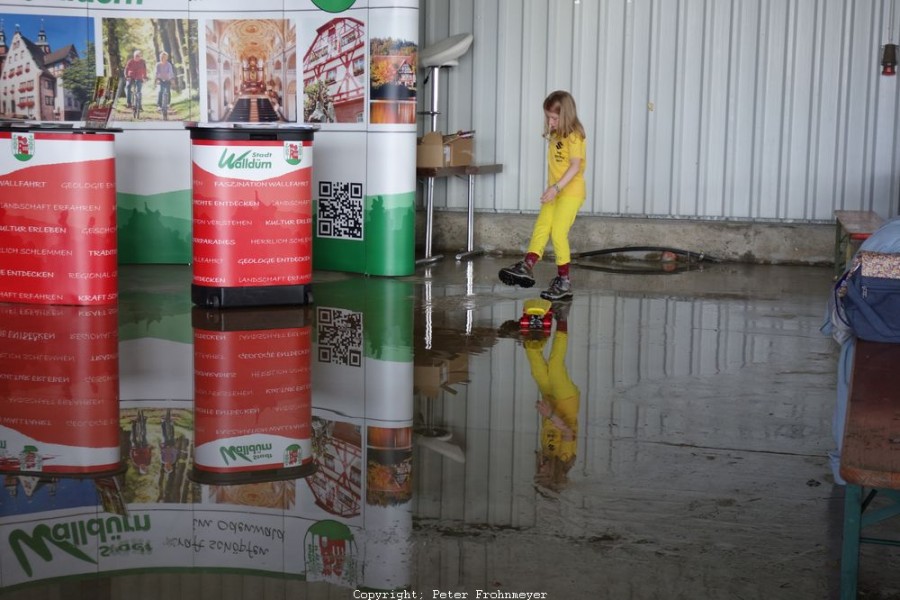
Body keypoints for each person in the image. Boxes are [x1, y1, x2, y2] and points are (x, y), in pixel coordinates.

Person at [499, 90, 587, 301]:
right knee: (542, 227)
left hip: (570, 193)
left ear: (566, 115)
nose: (550, 121)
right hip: (554, 192)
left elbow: (575, 166)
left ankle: (564, 281)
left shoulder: (574, 135)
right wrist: (553, 189)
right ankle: (527, 265)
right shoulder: (556, 134)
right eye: (548, 117)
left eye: (555, 118)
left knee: (557, 233)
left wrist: (556, 188)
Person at [528, 300, 580, 492]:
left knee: (535, 364)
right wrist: (550, 415)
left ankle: (539, 324)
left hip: (550, 399)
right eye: (545, 473)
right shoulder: (565, 457)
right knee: (555, 365)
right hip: (566, 400)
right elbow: (567, 433)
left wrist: (546, 412)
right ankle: (562, 317)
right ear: (555, 475)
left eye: (538, 472)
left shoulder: (546, 454)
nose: (541, 467)